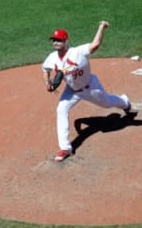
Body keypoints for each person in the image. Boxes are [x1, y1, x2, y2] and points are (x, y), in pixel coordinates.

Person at [42, 21, 131, 162]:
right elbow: (45, 69)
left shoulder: (77, 52)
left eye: (59, 40)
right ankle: (65, 148)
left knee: (107, 103)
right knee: (61, 110)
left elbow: (95, 44)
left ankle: (125, 102)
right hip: (71, 90)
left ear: (66, 41)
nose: (56, 42)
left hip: (91, 87)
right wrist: (47, 83)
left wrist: (101, 27)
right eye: (54, 40)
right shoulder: (52, 57)